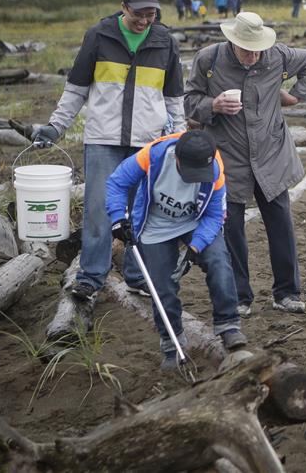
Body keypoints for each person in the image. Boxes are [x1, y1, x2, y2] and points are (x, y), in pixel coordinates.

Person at [31, 0, 186, 301]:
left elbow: (173, 99)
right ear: (124, 7)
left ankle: (136, 276)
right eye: (138, 14)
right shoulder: (99, 36)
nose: (144, 21)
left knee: (141, 211)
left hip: (147, 142)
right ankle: (90, 277)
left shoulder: (164, 42)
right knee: (100, 209)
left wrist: (178, 138)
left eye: (151, 15)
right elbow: (76, 89)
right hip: (103, 140)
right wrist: (55, 126)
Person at [184, 12, 306, 316]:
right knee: (231, 227)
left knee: (281, 222)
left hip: (271, 152)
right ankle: (240, 297)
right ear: (232, 41)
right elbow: (189, 101)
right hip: (228, 155)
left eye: (257, 48)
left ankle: (287, 292)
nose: (253, 54)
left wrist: (296, 96)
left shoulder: (277, 56)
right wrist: (214, 105)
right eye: (247, 49)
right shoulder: (208, 60)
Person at [105, 130, 247, 369]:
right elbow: (117, 182)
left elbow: (214, 216)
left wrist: (194, 249)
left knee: (219, 262)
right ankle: (172, 345)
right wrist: (118, 218)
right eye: (189, 172)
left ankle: (228, 324)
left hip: (195, 222)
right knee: (162, 286)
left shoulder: (214, 170)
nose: (194, 179)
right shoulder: (154, 155)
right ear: (177, 158)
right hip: (155, 226)